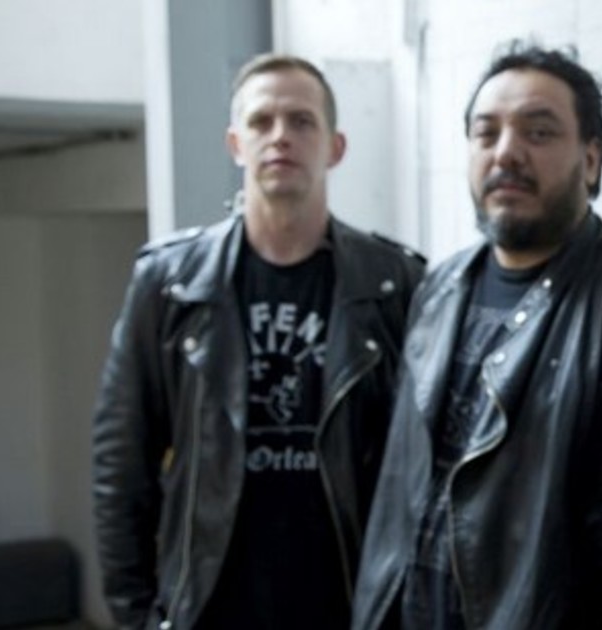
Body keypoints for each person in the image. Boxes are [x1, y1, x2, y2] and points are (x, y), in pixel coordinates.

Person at [350, 41, 602, 630]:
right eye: (486, 133)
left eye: (538, 132)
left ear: (591, 160)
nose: (506, 152)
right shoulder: (438, 287)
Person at [92, 53, 425, 630]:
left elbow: (421, 471)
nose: (280, 136)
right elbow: (120, 466)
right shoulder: (169, 285)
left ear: (335, 147)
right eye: (261, 121)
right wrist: (136, 616)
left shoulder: (394, 283)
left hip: (349, 606)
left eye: (301, 121)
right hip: (210, 608)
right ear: (236, 145)